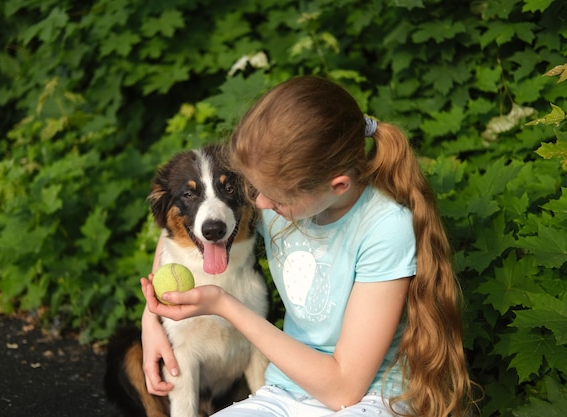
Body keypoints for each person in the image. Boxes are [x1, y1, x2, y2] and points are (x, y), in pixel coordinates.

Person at [140, 75, 478, 417]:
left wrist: (225, 305)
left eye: (273, 196)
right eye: (253, 189)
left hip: (370, 398)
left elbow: (345, 389)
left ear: (337, 185)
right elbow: (185, 230)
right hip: (285, 392)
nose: (258, 204)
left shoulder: (384, 228)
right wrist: (150, 321)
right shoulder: (276, 200)